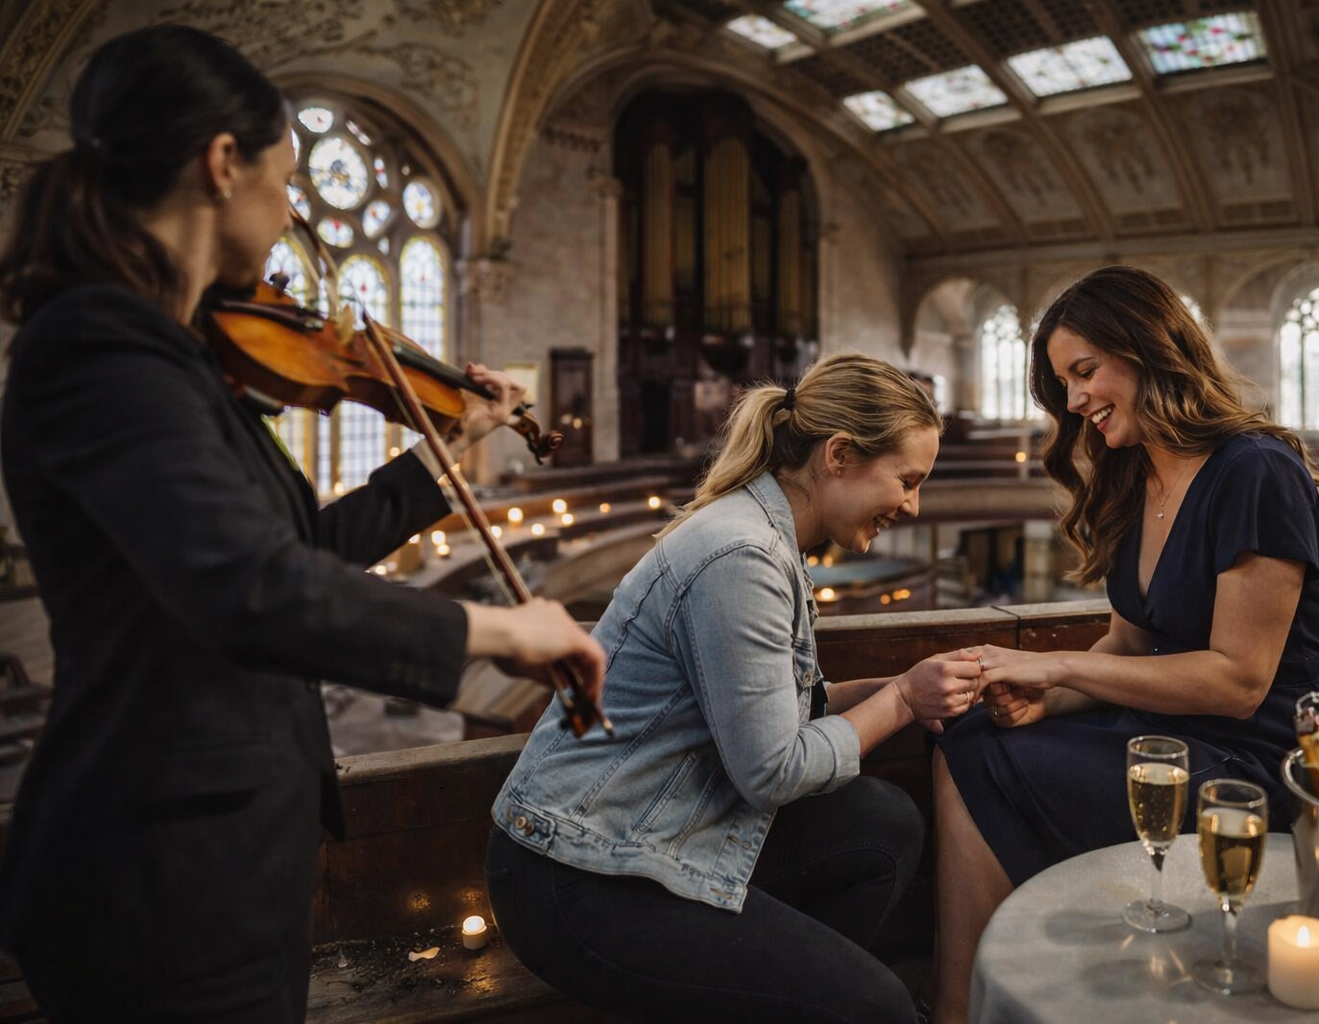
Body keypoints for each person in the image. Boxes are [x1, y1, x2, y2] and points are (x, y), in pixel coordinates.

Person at [0, 25, 604, 1023]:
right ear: (221, 163)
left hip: (217, 856)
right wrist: (497, 630)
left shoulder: (175, 355)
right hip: (155, 869)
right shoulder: (99, 344)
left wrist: (451, 446)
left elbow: (297, 555)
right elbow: (247, 588)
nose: (288, 215)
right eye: (284, 184)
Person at [486, 354, 984, 1024]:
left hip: (655, 827)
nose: (913, 504)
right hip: (579, 871)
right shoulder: (740, 556)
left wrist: (901, 685)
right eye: (907, 480)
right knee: (879, 1008)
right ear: (839, 455)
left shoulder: (766, 535)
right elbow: (772, 770)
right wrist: (900, 703)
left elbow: (779, 714)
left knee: (883, 824)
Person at [928, 266, 1319, 1023]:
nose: (1074, 401)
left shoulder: (1256, 470)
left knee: (976, 760)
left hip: (1259, 761)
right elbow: (1128, 640)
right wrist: (1044, 697)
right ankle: (978, 996)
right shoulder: (1135, 478)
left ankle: (971, 1005)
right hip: (1169, 735)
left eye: (1085, 372)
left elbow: (1238, 682)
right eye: (1063, 383)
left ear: (1149, 348)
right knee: (970, 733)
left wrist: (1056, 663)